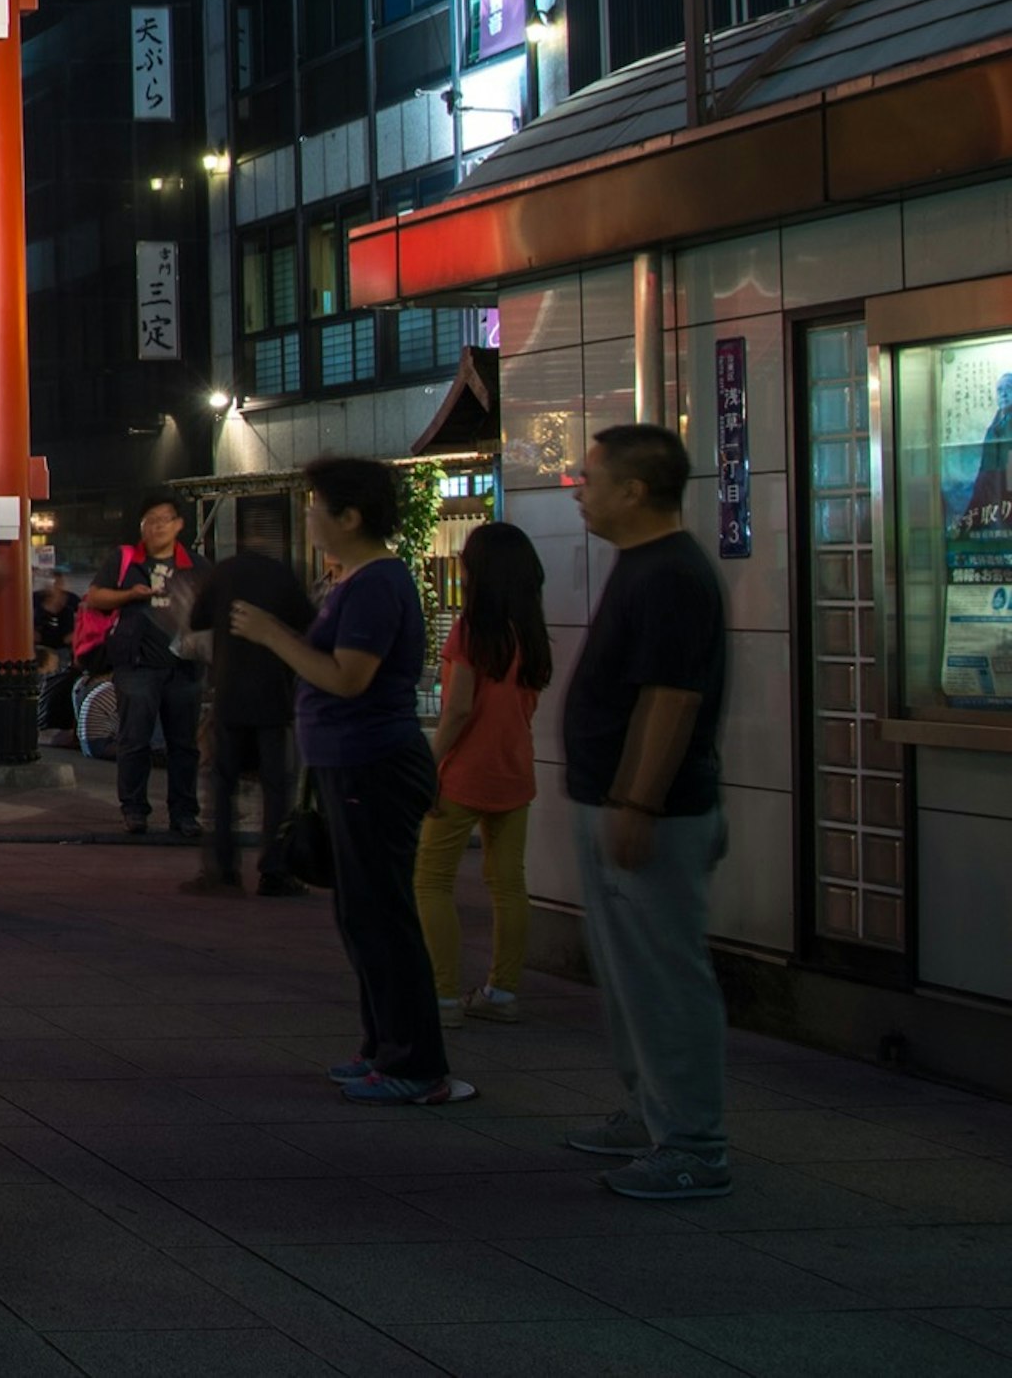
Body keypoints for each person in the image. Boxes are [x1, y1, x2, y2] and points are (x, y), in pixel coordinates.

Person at [230, 456, 468, 1106]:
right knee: (362, 910)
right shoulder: (357, 581)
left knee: (382, 913)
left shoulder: (374, 585)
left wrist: (274, 633)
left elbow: (347, 676)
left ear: (350, 516)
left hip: (373, 763)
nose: (307, 515)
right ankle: (383, 1047)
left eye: (315, 504)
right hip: (352, 761)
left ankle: (414, 1061)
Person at [560, 424, 732, 1199]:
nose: (578, 486)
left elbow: (672, 696)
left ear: (634, 489)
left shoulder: (669, 573)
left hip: (651, 812)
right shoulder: (643, 565)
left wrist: (637, 798)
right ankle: (652, 1113)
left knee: (663, 978)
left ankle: (694, 1143)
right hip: (618, 802)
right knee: (630, 975)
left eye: (590, 476)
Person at [419, 517, 547, 1023]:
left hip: (464, 774)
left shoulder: (470, 631)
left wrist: (429, 766)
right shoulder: (530, 635)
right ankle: (501, 993)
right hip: (515, 772)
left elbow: (458, 710)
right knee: (507, 883)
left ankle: (443, 996)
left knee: (431, 882)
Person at [184, 531, 315, 898]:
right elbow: (308, 621)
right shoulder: (283, 575)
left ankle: (224, 870)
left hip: (230, 691)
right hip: (274, 693)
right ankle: (274, 869)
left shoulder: (222, 573)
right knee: (276, 786)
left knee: (223, 784)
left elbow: (197, 619)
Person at [86, 492, 204, 837]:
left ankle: (184, 813)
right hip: (136, 666)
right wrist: (131, 595)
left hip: (185, 666)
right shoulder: (125, 561)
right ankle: (134, 809)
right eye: (149, 521)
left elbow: (214, 606)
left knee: (183, 744)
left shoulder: (196, 565)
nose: (156, 527)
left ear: (179, 525)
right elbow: (95, 597)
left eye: (163, 520)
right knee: (134, 739)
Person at [32, 562, 81, 732]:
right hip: (42, 647)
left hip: (64, 647)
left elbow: (81, 621)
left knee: (63, 665)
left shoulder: (71, 601)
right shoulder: (36, 599)